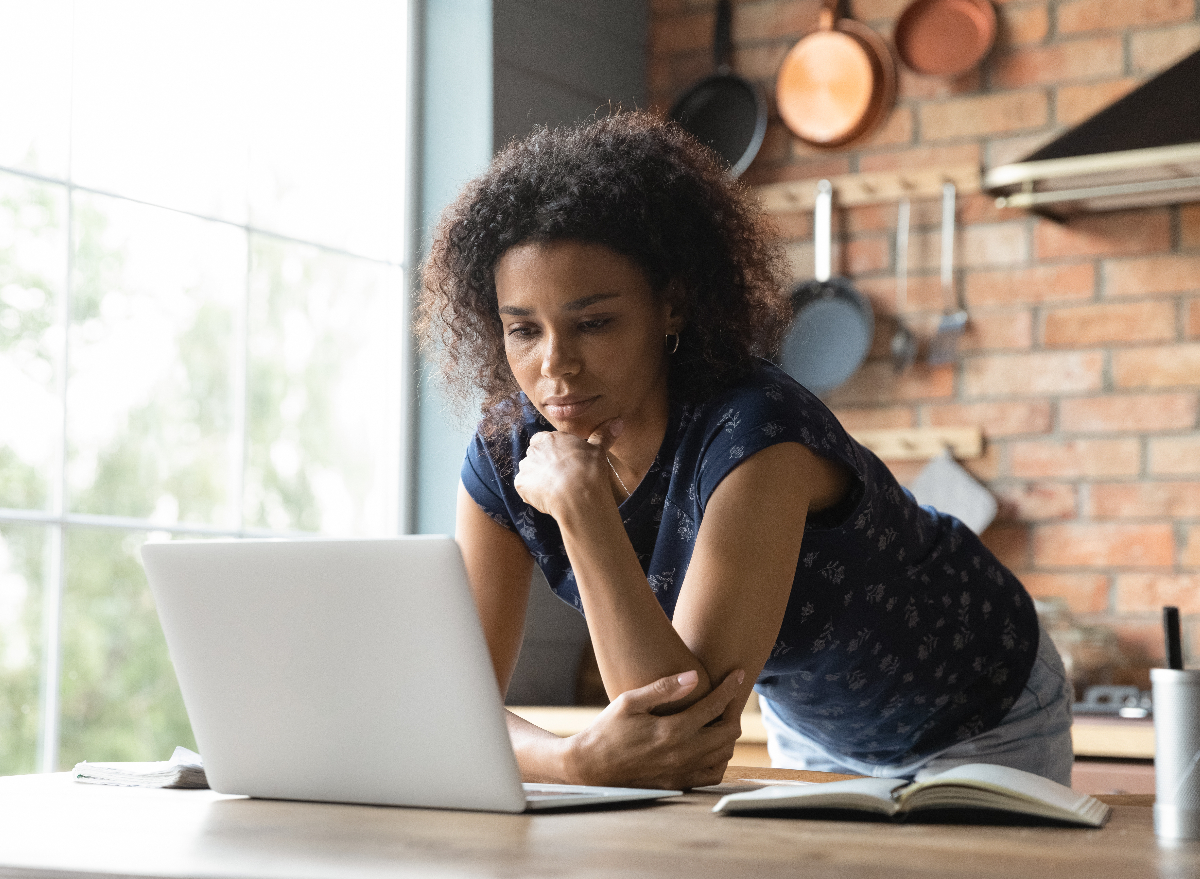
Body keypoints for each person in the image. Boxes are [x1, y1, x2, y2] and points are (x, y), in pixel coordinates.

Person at [419, 111, 1073, 791]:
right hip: (817, 729)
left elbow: (680, 733)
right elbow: (449, 710)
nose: (556, 365)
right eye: (523, 329)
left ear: (671, 306)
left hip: (983, 708)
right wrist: (572, 758)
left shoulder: (757, 432)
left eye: (595, 323)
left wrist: (584, 509)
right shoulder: (505, 453)